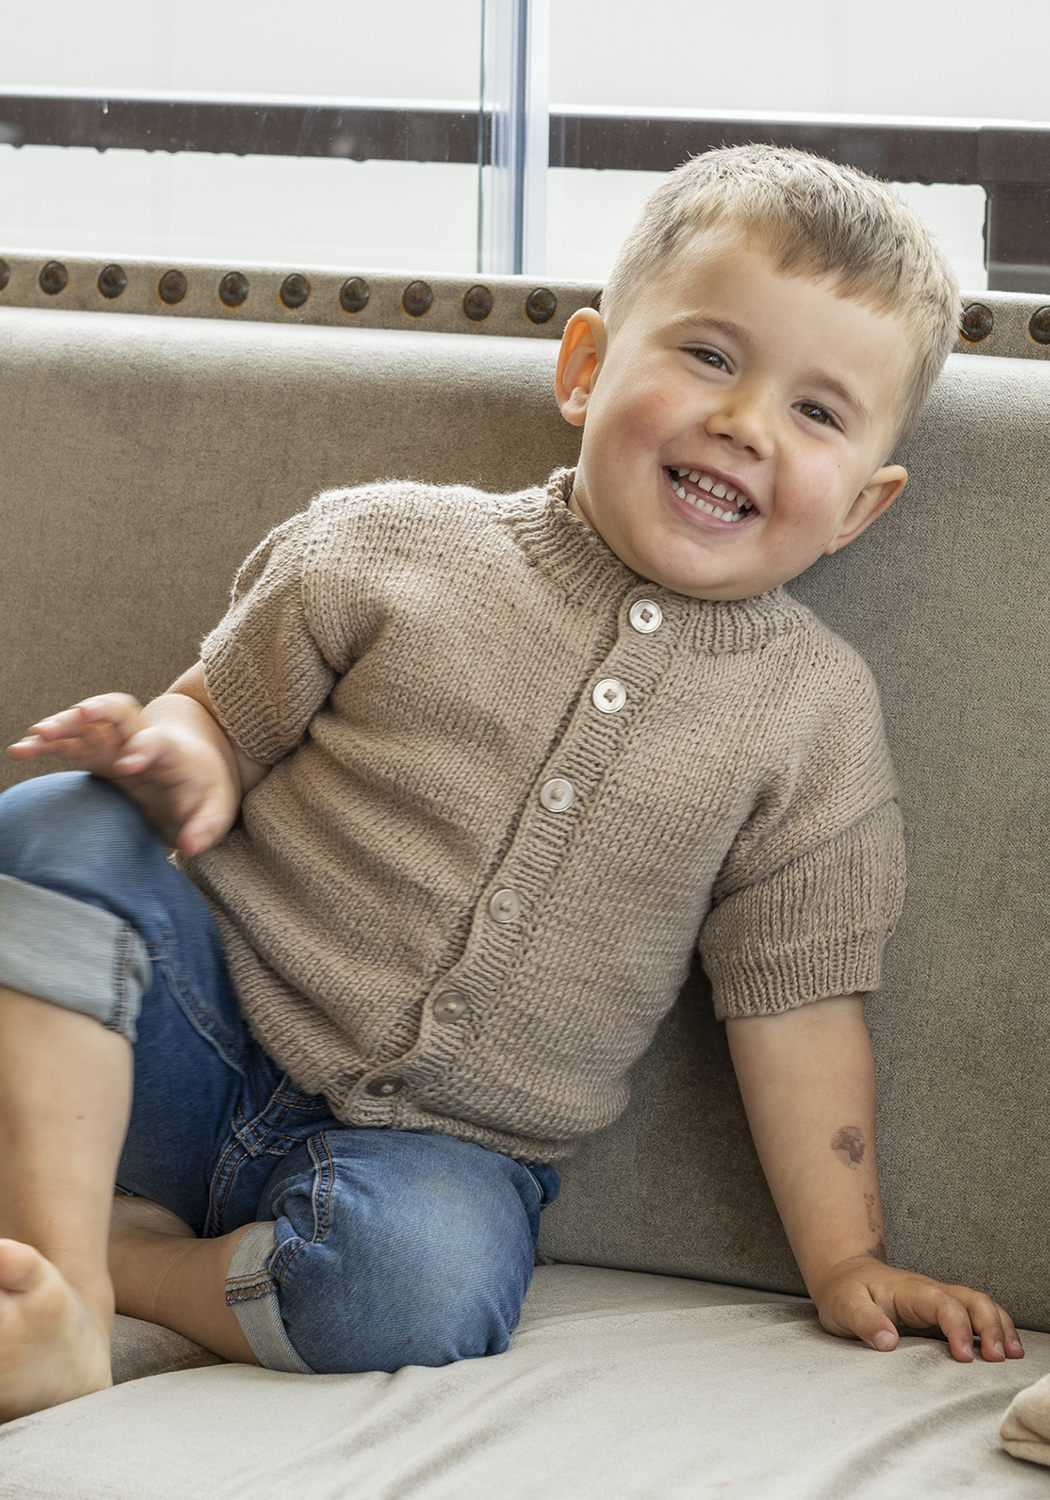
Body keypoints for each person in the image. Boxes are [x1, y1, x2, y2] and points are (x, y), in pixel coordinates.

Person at [0, 145, 1025, 1423]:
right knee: (53, 824)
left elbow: (800, 1006)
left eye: (817, 412)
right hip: (191, 1044)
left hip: (432, 1159)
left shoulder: (813, 720)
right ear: (585, 367)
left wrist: (847, 1258)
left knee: (423, 1289)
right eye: (710, 355)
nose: (747, 423)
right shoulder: (386, 544)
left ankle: (122, 1268)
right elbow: (217, 718)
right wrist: (170, 756)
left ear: (860, 509)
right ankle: (53, 1289)